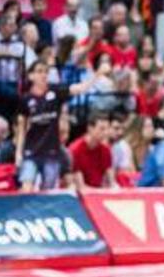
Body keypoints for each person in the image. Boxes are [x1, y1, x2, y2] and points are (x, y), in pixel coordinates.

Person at [15, 61, 68, 192]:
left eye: (46, 72)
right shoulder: (25, 100)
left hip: (51, 152)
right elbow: (21, 129)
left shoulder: (55, 94)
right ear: (31, 76)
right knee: (26, 187)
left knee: (47, 191)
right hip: (31, 151)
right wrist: (18, 153)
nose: (43, 75)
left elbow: (77, 89)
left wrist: (97, 76)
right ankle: (22, 212)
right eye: (39, 71)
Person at [67, 111, 115, 189]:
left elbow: (111, 181)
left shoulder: (106, 150)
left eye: (107, 129)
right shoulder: (75, 150)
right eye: (102, 129)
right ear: (90, 128)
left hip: (98, 190)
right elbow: (80, 186)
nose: (106, 133)